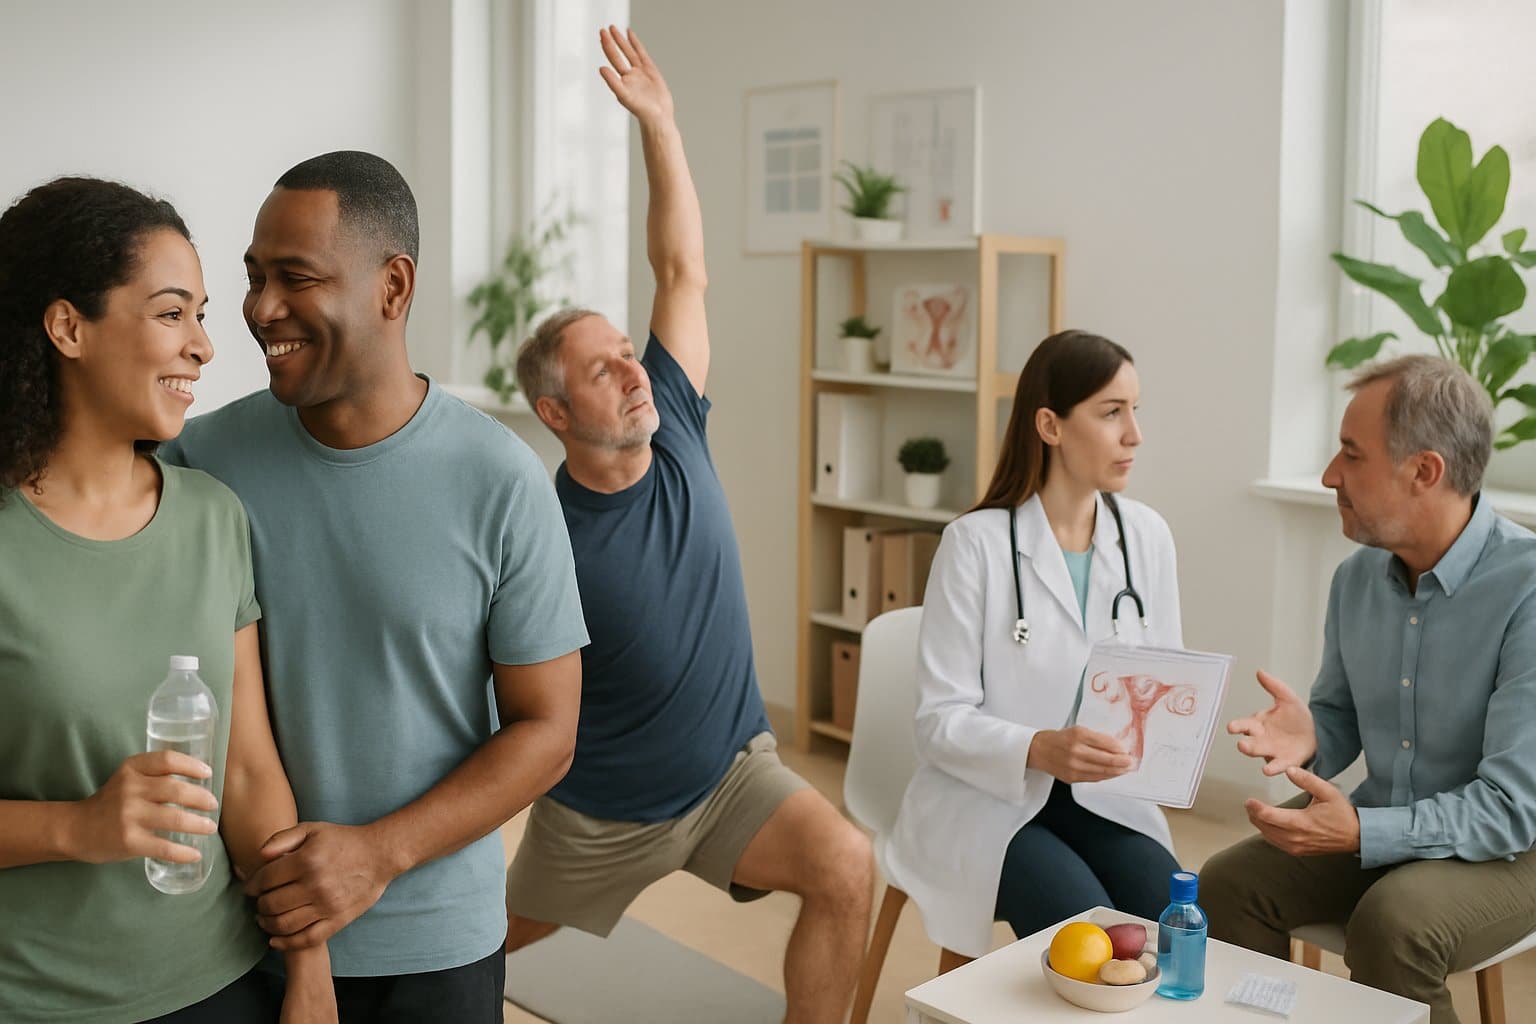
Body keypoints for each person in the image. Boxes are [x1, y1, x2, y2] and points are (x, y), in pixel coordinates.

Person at [159, 151, 587, 1023]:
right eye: (252, 278)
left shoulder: (501, 479)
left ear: (393, 287)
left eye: (295, 277)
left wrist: (380, 854)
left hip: (440, 946)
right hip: (242, 942)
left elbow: (548, 731)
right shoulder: (197, 460)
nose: (260, 309)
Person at [503, 27, 872, 1024]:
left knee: (846, 866)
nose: (633, 371)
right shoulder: (545, 534)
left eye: (629, 352)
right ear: (555, 413)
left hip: (730, 779)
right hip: (600, 817)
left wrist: (661, 125)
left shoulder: (676, 423)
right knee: (470, 951)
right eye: (601, 369)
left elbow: (683, 269)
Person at [0, 177, 334, 1023]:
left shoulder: (213, 518)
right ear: (68, 326)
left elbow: (251, 770)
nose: (205, 346)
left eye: (201, 314)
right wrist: (78, 828)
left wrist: (308, 966)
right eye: (170, 313)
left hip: (218, 983)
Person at [1205, 356, 1536, 1024]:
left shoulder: (1526, 591)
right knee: (1227, 884)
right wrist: (1313, 737)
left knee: (1394, 923)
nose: (1330, 475)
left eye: (1351, 455)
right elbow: (1340, 716)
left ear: (1425, 471)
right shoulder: (1356, 580)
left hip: (1512, 847)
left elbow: (1510, 809)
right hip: (1389, 819)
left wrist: (1362, 831)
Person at [884, 330, 1186, 961]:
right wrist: (1040, 747)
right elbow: (938, 723)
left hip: (1101, 800)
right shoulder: (976, 546)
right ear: (1050, 425)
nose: (1134, 434)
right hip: (986, 800)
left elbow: (1164, 689)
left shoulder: (1146, 538)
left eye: (1136, 410)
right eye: (1111, 413)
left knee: (1176, 923)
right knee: (1092, 940)